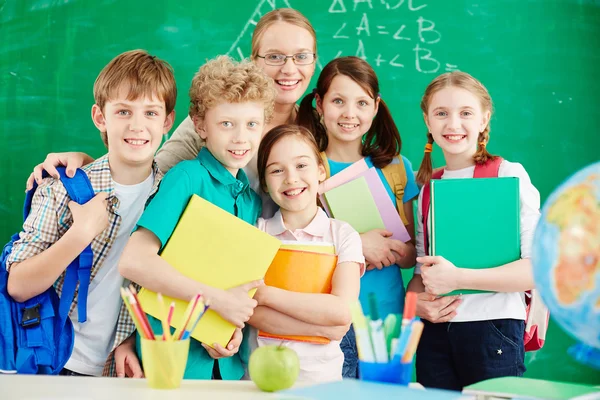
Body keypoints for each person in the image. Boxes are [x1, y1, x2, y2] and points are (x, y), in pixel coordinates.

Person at [6, 49, 177, 377]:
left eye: (151, 113)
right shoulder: (62, 187)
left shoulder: (172, 197)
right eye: (123, 111)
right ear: (100, 117)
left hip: (122, 368)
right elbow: (18, 285)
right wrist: (80, 234)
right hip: (52, 361)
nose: (137, 125)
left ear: (168, 121)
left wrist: (126, 340)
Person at [116, 55, 277, 380]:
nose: (240, 137)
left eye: (252, 124)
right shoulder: (188, 178)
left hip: (224, 367)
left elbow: (232, 288)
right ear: (200, 125)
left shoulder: (250, 199)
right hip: (171, 363)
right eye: (226, 124)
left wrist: (228, 336)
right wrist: (217, 301)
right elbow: (134, 262)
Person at [408, 71, 541, 390]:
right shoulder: (427, 188)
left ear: (484, 119)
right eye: (441, 113)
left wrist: (459, 279)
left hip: (493, 330)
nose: (453, 124)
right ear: (428, 121)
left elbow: (536, 269)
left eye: (465, 113)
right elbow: (420, 275)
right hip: (435, 333)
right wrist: (415, 306)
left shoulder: (507, 176)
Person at [296, 56, 418, 376]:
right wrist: (357, 244)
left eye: (362, 102)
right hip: (327, 317)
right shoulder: (304, 168)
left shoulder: (396, 169)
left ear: (376, 107)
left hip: (386, 314)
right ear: (320, 104)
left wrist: (394, 249)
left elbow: (411, 255)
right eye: (338, 101)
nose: (350, 114)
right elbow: (297, 245)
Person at [248, 124, 363, 382]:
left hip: (323, 382)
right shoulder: (258, 233)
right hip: (260, 381)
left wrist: (267, 294)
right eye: (276, 170)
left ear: (321, 171)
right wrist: (324, 328)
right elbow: (251, 313)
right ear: (265, 183)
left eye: (301, 165)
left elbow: (342, 311)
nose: (291, 178)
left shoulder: (343, 235)